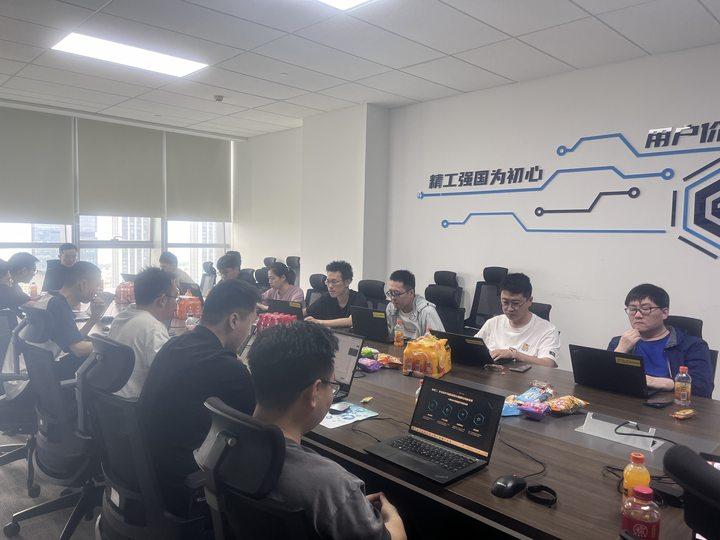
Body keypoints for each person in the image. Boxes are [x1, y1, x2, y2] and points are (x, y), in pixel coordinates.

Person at [249, 322, 407, 540]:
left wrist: (348, 509)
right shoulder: (332, 485)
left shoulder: (222, 443)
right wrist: (393, 518)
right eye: (332, 385)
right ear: (314, 392)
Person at [139, 279, 259, 517]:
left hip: (147, 470)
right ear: (234, 320)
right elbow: (257, 432)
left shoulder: (174, 344)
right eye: (251, 324)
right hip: (183, 483)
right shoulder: (228, 369)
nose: (249, 332)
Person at [608, 283, 714, 398]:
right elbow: (603, 381)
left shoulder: (692, 345)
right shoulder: (619, 342)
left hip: (673, 405)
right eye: (632, 309)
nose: (637, 315)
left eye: (646, 308)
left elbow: (702, 389)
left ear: (664, 313)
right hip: (627, 403)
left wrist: (657, 382)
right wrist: (620, 350)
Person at [108, 267, 176, 399]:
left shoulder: (122, 316)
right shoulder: (153, 328)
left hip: (111, 400)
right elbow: (169, 376)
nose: (176, 304)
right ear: (162, 300)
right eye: (176, 297)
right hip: (135, 404)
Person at [473, 273, 559, 367]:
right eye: (505, 302)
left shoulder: (547, 330)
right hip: (490, 374)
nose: (510, 308)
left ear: (530, 301)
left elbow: (549, 364)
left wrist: (514, 354)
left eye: (515, 303)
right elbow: (472, 347)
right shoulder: (493, 323)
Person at [45, 261, 106, 362]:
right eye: (97, 285)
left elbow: (74, 339)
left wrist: (94, 318)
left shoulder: (52, 299)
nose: (98, 290)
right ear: (83, 284)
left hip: (43, 364)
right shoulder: (58, 306)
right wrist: (114, 342)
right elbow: (79, 349)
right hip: (52, 367)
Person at [305, 261, 367, 328]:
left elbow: (351, 320)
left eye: (334, 282)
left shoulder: (358, 298)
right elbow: (307, 311)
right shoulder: (327, 297)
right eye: (328, 282)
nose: (330, 286)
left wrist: (319, 322)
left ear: (347, 282)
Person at [385, 270, 444, 339]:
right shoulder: (391, 308)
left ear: (411, 293)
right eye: (391, 293)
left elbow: (439, 342)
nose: (393, 298)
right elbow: (386, 336)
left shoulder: (427, 312)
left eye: (397, 294)